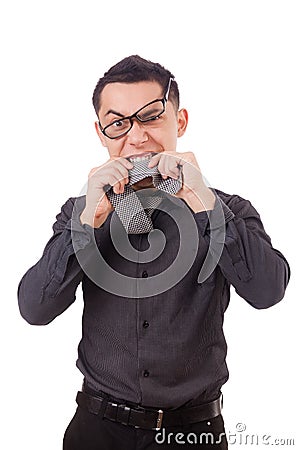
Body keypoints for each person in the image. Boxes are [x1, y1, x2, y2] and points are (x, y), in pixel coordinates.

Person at [18, 55, 290, 450]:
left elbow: (268, 292)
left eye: (150, 117)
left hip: (193, 434)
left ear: (179, 121)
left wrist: (207, 205)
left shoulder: (227, 209)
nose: (137, 136)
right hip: (97, 430)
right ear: (102, 133)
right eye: (119, 123)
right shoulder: (80, 213)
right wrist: (85, 226)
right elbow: (33, 308)